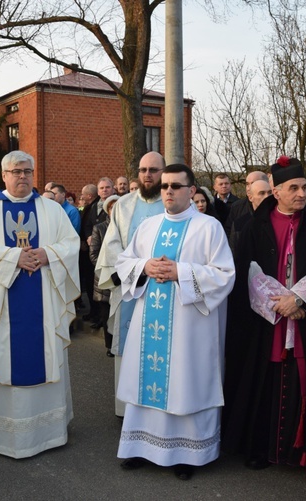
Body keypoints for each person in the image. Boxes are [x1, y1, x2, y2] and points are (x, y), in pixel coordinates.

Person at [115, 163, 235, 480]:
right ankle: (139, 447)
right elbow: (124, 261)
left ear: (192, 190)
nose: (168, 191)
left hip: (189, 327)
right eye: (165, 186)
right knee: (148, 383)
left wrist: (181, 271)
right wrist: (145, 266)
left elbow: (225, 275)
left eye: (176, 186)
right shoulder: (148, 226)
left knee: (186, 382)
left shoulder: (209, 227)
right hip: (150, 323)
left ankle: (187, 454)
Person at [0, 150, 80, 459]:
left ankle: (49, 431)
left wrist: (47, 254)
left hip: (44, 300)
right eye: (15, 171)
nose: (22, 176)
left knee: (44, 352)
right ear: (3, 175)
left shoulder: (52, 210)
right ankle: (1, 432)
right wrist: (14, 257)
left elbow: (71, 243)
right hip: (2, 304)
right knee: (4, 356)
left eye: (27, 171)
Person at [222, 155, 306, 485]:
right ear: (276, 191)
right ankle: (263, 448)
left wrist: (300, 301)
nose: (301, 194)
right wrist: (277, 304)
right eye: (293, 188)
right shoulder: (257, 224)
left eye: (304, 187)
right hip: (266, 322)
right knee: (264, 381)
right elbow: (247, 272)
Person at [96, 151, 165, 417]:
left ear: (163, 172)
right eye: (143, 169)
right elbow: (112, 242)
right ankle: (126, 408)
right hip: (129, 288)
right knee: (128, 346)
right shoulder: (124, 205)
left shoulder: (174, 202)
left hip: (162, 287)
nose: (147, 175)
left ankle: (158, 405)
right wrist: (125, 272)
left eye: (154, 170)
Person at [90, 194, 120, 353]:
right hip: (105, 278)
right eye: (111, 207)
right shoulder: (100, 228)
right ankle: (109, 345)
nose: (115, 210)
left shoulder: (127, 227)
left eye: (118, 207)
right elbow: (93, 254)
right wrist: (109, 270)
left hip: (123, 278)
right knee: (107, 314)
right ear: (107, 210)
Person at [79, 183, 105, 323]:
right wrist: (87, 237)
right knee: (90, 283)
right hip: (89, 249)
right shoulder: (92, 207)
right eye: (102, 188)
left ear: (89, 195)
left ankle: (99, 315)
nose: (81, 197)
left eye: (83, 194)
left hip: (100, 250)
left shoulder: (107, 206)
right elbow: (87, 224)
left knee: (99, 285)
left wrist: (93, 238)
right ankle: (94, 312)